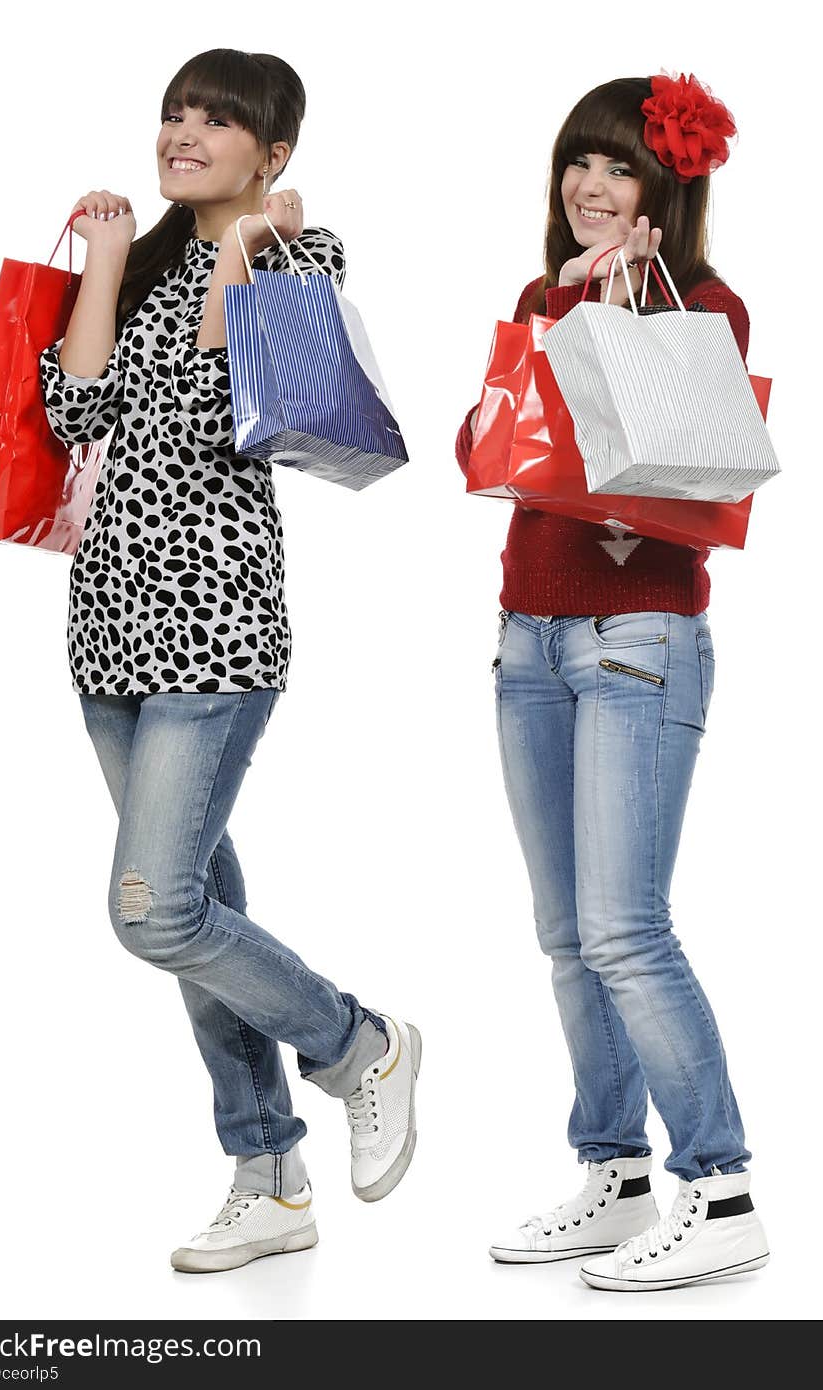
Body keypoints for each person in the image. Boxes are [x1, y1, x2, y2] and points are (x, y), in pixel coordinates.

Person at [39, 47, 421, 1275]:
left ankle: (361, 1044)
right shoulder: (143, 263)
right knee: (204, 909)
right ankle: (266, 1175)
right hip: (107, 633)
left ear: (276, 151)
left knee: (152, 911)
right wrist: (103, 261)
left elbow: (226, 410)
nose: (183, 133)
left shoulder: (301, 255)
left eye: (216, 119)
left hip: (217, 632)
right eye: (175, 113)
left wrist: (250, 249)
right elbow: (72, 418)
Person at [455, 73, 768, 1291]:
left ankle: (721, 1185)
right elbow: (484, 450)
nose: (591, 186)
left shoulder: (708, 310)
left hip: (639, 636)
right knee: (567, 937)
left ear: (665, 191)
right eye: (579, 163)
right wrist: (560, 311)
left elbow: (670, 462)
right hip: (527, 635)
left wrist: (610, 315)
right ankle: (616, 1173)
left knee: (628, 931)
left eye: (620, 167)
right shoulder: (544, 296)